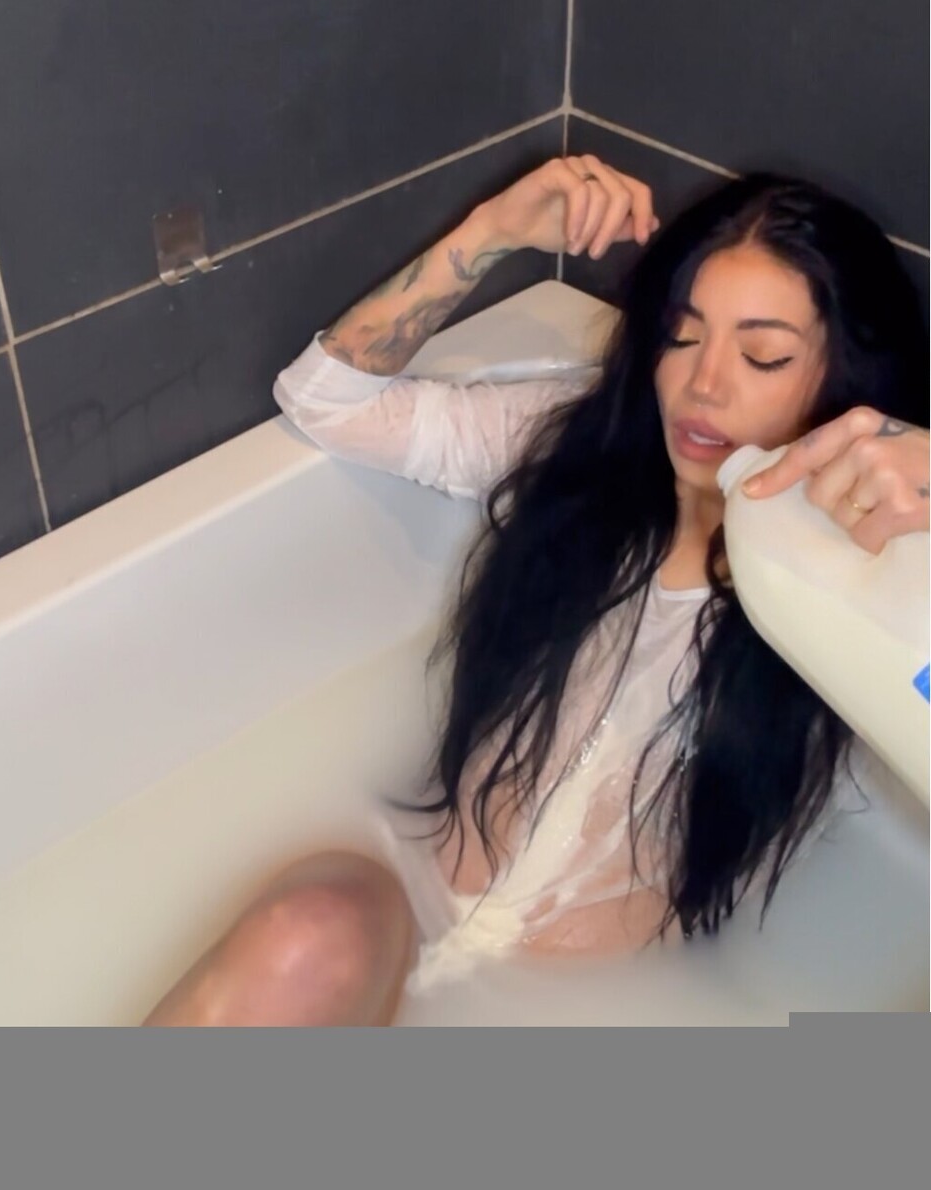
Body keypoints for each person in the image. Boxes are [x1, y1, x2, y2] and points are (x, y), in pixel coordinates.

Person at [144, 156, 929, 1027]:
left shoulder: (861, 592)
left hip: (576, 1007)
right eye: (681, 334)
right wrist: (494, 232)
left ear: (848, 387)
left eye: (762, 355)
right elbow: (324, 400)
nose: (704, 384)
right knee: (306, 933)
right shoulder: (579, 450)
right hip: (409, 901)